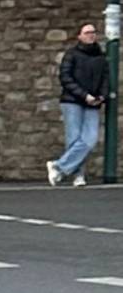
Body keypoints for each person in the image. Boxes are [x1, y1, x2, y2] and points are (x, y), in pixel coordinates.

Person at [52, 23, 105, 186]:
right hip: (72, 101)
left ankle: (58, 166)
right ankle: (78, 175)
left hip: (92, 102)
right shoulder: (72, 54)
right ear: (80, 36)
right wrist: (84, 95)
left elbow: (105, 79)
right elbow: (65, 78)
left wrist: (101, 96)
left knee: (90, 139)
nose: (91, 35)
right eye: (87, 32)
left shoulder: (100, 57)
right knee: (74, 139)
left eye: (93, 32)